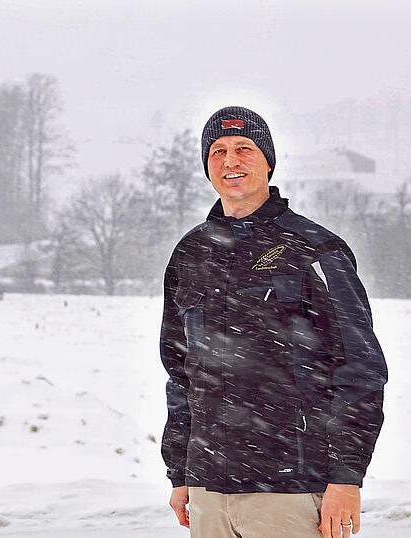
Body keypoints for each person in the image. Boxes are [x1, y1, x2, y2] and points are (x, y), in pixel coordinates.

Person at [160, 106, 388, 538]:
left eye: (244, 148)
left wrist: (346, 478)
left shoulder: (313, 249)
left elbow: (360, 371)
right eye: (218, 151)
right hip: (209, 490)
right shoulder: (191, 253)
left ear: (268, 160)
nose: (230, 161)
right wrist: (181, 470)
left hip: (290, 489)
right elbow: (180, 372)